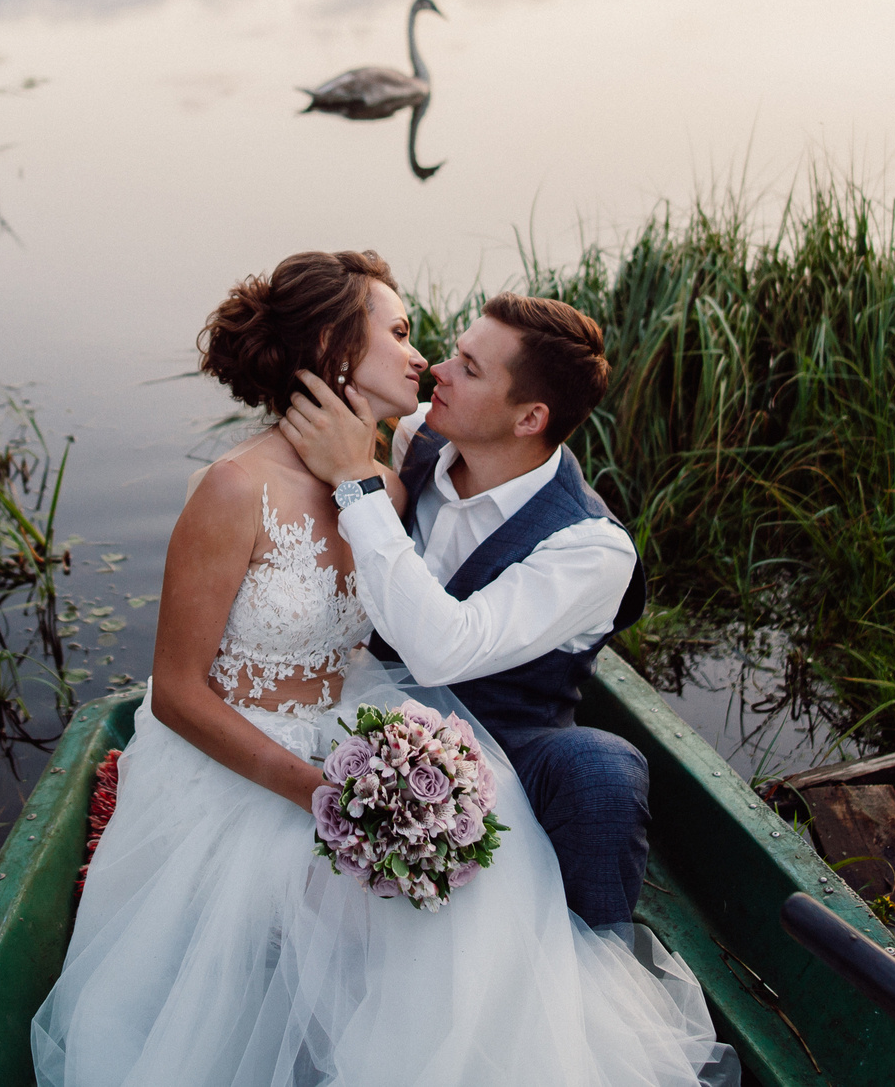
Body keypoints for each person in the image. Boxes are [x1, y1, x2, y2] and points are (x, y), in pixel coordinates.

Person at [31, 251, 734, 1087]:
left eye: (460, 364)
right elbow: (179, 691)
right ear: (331, 345)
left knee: (505, 866)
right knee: (352, 900)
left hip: (388, 724)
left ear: (528, 416)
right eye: (402, 335)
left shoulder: (441, 506)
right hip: (255, 755)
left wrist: (372, 775)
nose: (427, 361)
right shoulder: (249, 484)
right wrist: (320, 791)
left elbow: (429, 641)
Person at [277, 291, 652, 932]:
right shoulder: (417, 435)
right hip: (368, 707)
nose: (437, 371)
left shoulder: (592, 548)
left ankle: (591, 950)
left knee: (603, 773)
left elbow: (444, 650)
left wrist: (355, 484)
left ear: (530, 418)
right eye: (455, 353)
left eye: (470, 368)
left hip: (506, 742)